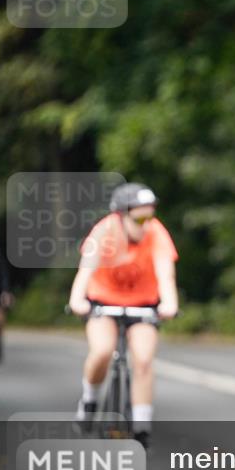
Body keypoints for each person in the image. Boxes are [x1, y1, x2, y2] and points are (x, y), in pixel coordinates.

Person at [68, 183, 179, 449]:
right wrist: (77, 300)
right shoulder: (104, 232)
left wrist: (170, 302)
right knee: (103, 350)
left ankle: (141, 425)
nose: (146, 223)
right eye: (139, 218)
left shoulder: (156, 233)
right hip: (103, 300)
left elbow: (166, 274)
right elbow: (85, 272)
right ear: (121, 215)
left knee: (142, 359)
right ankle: (90, 399)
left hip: (143, 303)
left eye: (150, 216)